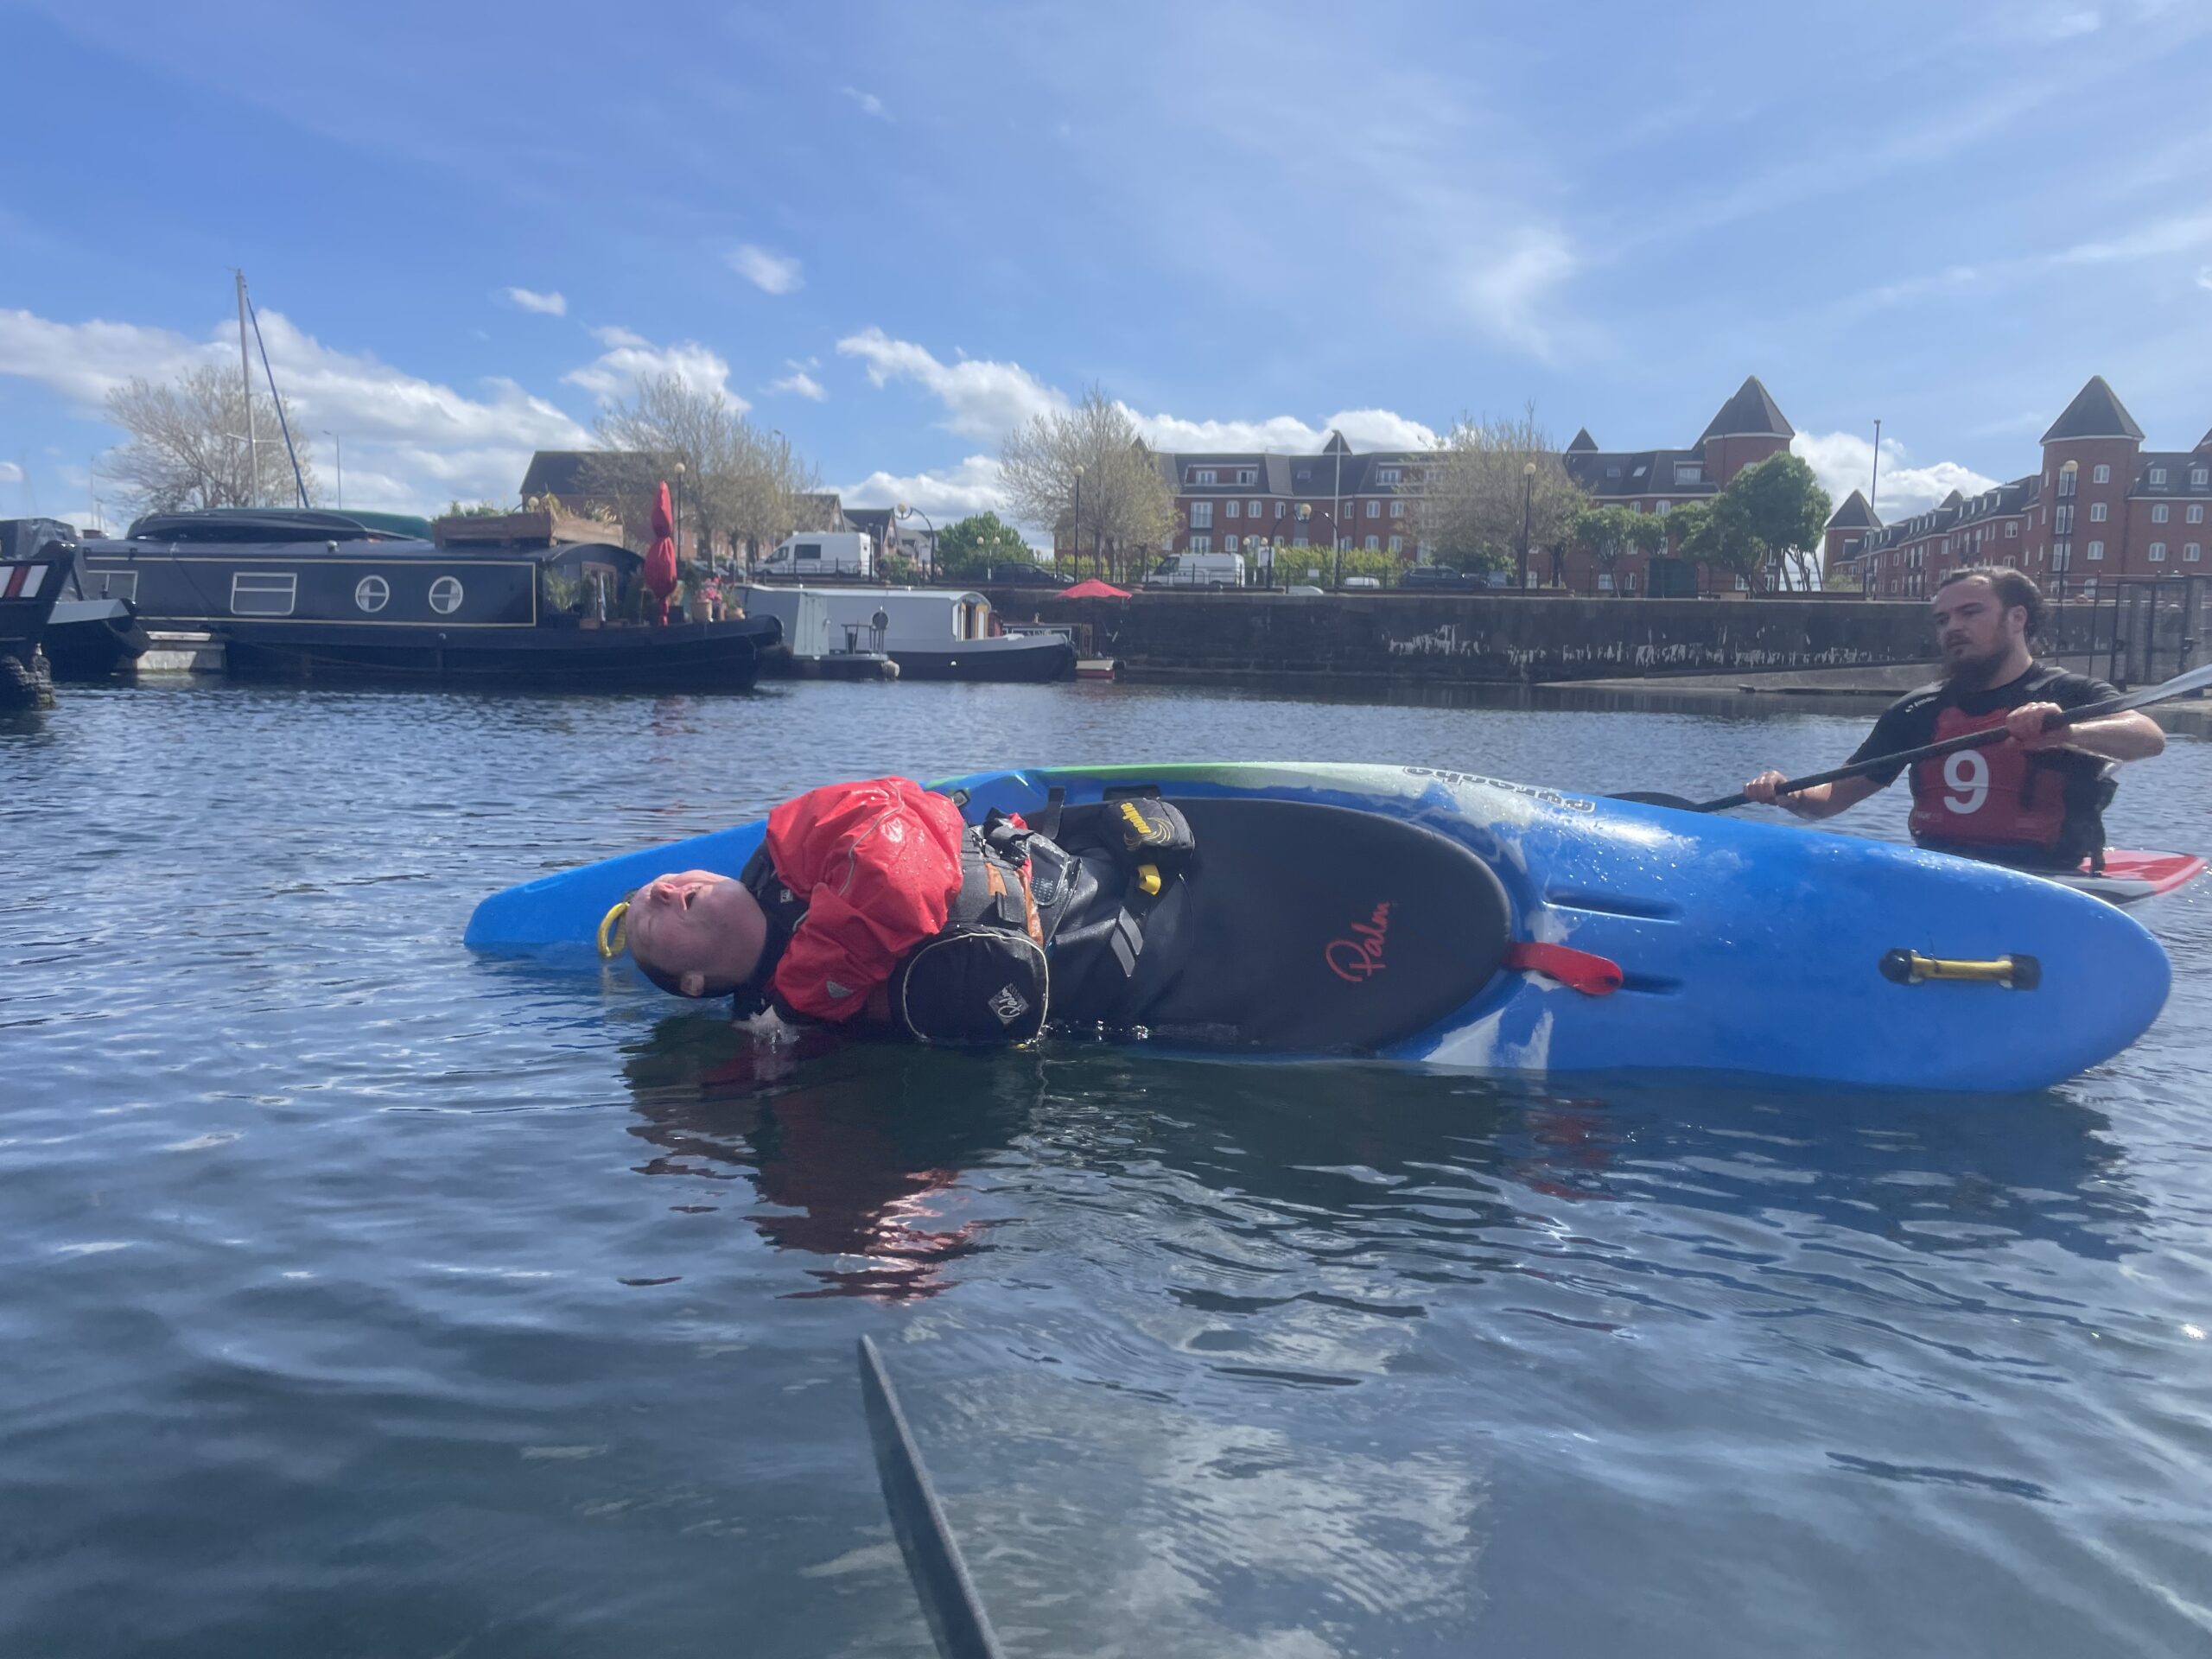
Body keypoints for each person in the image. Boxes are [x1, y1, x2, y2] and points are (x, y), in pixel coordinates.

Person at [600, 777, 1192, 1046]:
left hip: (1098, 908)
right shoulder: (766, 1029)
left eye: (669, 881)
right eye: (655, 920)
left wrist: (797, 1000)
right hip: (1094, 1012)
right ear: (692, 982)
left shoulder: (794, 840)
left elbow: (900, 880)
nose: (666, 891)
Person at [1743, 566, 2164, 869]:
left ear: (2017, 618)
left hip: (2049, 879)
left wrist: (2065, 732)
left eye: (1970, 613)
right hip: (1943, 876)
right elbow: (1835, 796)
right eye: (1943, 620)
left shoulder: (2069, 693)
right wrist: (1789, 794)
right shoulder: (1917, 710)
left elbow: (2148, 738)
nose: (1952, 628)